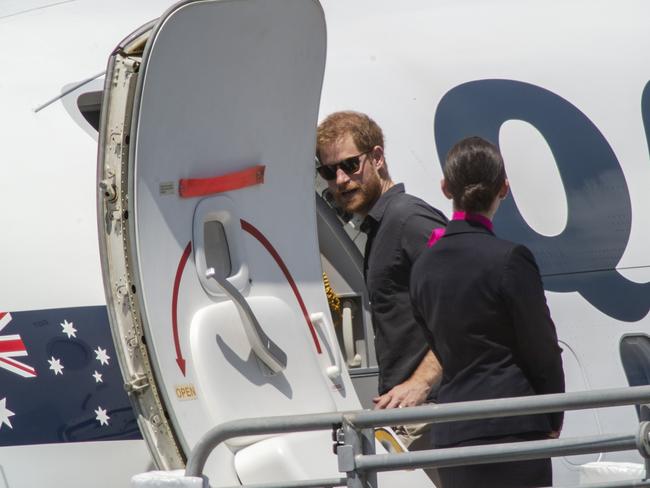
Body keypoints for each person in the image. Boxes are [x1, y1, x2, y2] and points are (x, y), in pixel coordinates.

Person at [410, 136, 565, 488]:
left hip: (453, 433)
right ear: (504, 189)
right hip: (514, 429)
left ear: (446, 188)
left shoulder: (422, 266)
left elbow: (437, 344)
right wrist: (552, 415)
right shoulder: (511, 259)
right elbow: (542, 347)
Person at [315, 111, 447, 450]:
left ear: (376, 158)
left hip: (434, 413)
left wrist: (421, 383)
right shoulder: (382, 227)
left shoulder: (409, 220)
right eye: (329, 172)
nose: (341, 180)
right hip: (405, 414)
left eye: (350, 165)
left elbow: (471, 306)